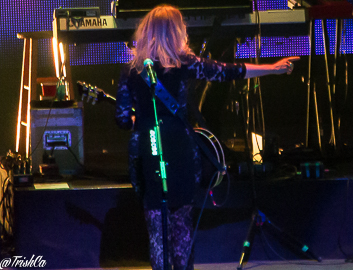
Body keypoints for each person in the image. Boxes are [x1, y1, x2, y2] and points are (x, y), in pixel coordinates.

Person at [114, 5, 299, 270]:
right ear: (176, 32)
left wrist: (140, 120)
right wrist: (273, 68)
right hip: (181, 151)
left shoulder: (131, 72)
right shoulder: (186, 64)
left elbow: (122, 120)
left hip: (149, 150)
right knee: (183, 227)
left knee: (157, 230)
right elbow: (228, 70)